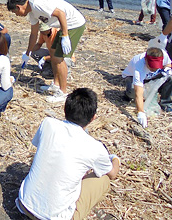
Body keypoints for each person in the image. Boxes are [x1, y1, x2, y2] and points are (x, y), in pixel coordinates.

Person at [16, 88, 120, 220]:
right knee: (104, 179)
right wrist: (114, 158)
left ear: (65, 109)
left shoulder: (48, 123)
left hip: (25, 203)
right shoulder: (95, 147)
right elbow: (112, 174)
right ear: (93, 118)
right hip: (54, 217)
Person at [7, 0, 86, 103]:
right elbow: (33, 34)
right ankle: (56, 85)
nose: (17, 15)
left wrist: (65, 36)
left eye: (15, 12)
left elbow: (60, 13)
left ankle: (63, 93)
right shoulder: (32, 13)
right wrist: (28, 53)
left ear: (18, 7)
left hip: (74, 24)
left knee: (59, 58)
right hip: (64, 26)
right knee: (53, 53)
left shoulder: (36, 4)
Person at [122, 47, 172, 127]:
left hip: (150, 77)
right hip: (131, 77)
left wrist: (167, 69)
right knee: (133, 92)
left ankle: (166, 104)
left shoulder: (164, 54)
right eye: (151, 66)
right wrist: (141, 112)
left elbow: (168, 64)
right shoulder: (139, 66)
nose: (153, 69)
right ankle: (128, 95)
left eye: (156, 66)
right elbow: (138, 93)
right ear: (145, 60)